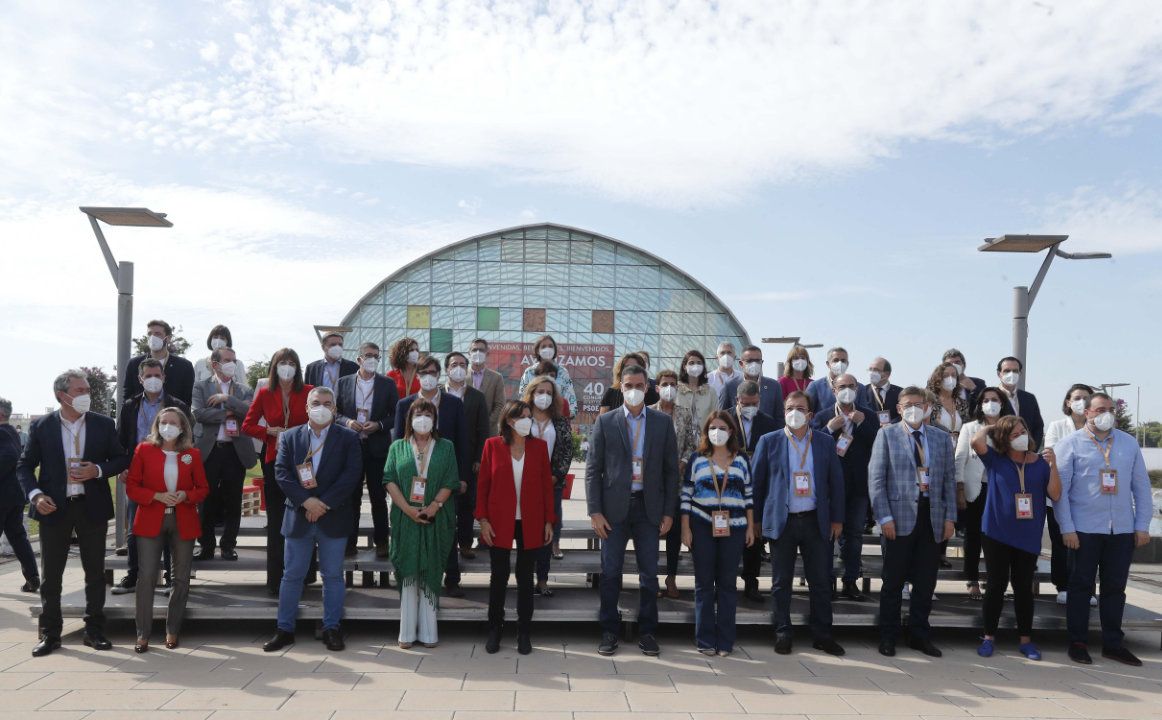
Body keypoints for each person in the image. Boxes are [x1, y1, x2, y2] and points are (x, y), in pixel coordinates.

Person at [18, 370, 130, 656]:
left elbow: (121, 458)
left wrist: (98, 470)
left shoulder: (103, 425)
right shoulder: (42, 426)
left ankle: (94, 630)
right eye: (80, 390)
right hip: (54, 508)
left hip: (91, 507)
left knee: (95, 573)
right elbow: (24, 466)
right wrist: (36, 495)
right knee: (51, 576)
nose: (86, 395)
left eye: (87, 390)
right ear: (62, 395)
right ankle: (51, 633)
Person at [1054, 392, 1152, 666]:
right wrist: (1067, 528)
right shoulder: (1070, 444)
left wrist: (1141, 525)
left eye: (1110, 409)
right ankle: (1078, 642)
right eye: (1099, 409)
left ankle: (1113, 643)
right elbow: (1060, 493)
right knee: (1080, 587)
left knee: (1115, 589)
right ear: (1087, 413)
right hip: (1084, 529)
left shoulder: (1128, 444)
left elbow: (1141, 487)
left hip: (1120, 529)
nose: (1106, 413)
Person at [587, 364, 678, 657]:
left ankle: (648, 631)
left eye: (639, 385)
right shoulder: (606, 422)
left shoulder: (662, 423)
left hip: (648, 510)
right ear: (621, 387)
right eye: (628, 385)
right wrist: (595, 511)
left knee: (649, 574)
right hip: (613, 511)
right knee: (610, 572)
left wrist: (668, 512)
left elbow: (670, 473)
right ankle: (609, 630)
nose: (634, 390)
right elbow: (593, 470)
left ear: (648, 387)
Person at [263, 387, 362, 653]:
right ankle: (284, 629)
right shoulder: (291, 437)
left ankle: (331, 628)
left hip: (333, 516)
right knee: (292, 575)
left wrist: (323, 504)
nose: (321, 407)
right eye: (316, 403)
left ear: (335, 409)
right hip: (299, 515)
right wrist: (306, 501)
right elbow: (281, 473)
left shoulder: (349, 438)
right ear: (306, 408)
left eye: (327, 403)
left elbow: (351, 476)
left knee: (332, 576)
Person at [753, 391, 845, 656]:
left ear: (810, 414)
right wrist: (757, 519)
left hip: (816, 521)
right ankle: (783, 631)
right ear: (784, 412)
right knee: (781, 582)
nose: (795, 412)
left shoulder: (825, 442)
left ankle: (822, 634)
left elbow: (836, 483)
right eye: (790, 408)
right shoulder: (769, 441)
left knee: (820, 581)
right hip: (783, 522)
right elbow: (758, 484)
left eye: (800, 408)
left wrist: (837, 518)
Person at [869, 386, 956, 658]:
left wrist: (951, 516)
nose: (914, 409)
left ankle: (919, 635)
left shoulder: (941, 439)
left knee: (925, 582)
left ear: (928, 407)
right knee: (892, 582)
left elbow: (949, 482)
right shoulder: (886, 435)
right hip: (898, 517)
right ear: (899, 408)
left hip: (932, 516)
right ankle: (888, 636)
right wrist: (884, 517)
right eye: (908, 404)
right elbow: (876, 480)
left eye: (919, 404)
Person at [970, 416, 1061, 661]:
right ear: (1004, 439)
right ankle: (988, 637)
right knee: (996, 585)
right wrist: (995, 427)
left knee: (1023, 587)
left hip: (1028, 535)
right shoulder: (995, 460)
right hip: (996, 532)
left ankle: (1026, 640)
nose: (1021, 436)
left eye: (1022, 431)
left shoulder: (1042, 463)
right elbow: (975, 440)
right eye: (1014, 434)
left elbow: (1055, 493)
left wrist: (1054, 467)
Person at [125, 407, 209, 652]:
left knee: (181, 578)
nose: (168, 426)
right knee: (147, 576)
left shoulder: (191, 454)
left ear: (182, 427)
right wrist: (156, 496)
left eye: (173, 422)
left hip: (182, 519)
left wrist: (186, 495)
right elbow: (132, 487)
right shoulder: (144, 450)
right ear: (157, 425)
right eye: (163, 422)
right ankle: (142, 634)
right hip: (151, 518)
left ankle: (172, 630)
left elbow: (202, 488)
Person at [478, 401, 555, 655]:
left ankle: (524, 632)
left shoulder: (539, 447)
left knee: (525, 578)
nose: (527, 421)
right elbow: (483, 485)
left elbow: (546, 487)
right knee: (498, 577)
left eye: (529, 417)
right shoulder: (492, 445)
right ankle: (495, 629)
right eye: (522, 417)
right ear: (509, 421)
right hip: (500, 520)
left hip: (530, 521)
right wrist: (484, 520)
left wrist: (548, 521)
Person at [384, 398, 460, 649]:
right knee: (409, 573)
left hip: (436, 518)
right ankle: (406, 632)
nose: (423, 417)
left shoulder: (446, 446)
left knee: (430, 572)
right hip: (406, 520)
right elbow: (389, 479)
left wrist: (433, 507)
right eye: (419, 413)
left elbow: (451, 480)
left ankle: (429, 632)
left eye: (428, 413)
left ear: (435, 419)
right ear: (410, 418)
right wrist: (408, 510)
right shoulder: (397, 446)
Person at [394, 355, 472, 596]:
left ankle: (451, 578)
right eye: (423, 372)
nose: (428, 376)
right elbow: (398, 443)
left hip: (444, 479)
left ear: (439, 375)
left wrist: (462, 477)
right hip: (413, 479)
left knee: (446, 525)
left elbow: (463, 442)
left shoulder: (453, 403)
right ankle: (416, 576)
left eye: (432, 372)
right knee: (416, 525)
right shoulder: (404, 404)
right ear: (417, 376)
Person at [113, 359, 193, 593]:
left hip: (170, 472)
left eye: (157, 375)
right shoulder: (129, 406)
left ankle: (170, 576)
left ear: (164, 377)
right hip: (138, 475)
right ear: (140, 379)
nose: (153, 379)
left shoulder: (176, 405)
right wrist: (122, 468)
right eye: (148, 376)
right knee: (135, 527)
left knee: (170, 525)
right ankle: (133, 575)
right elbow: (120, 442)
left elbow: (187, 440)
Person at [681, 411, 754, 656]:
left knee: (727, 585)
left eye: (723, 427)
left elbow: (749, 496)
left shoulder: (741, 459)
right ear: (706, 431)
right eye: (713, 427)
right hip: (702, 525)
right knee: (703, 585)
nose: (717, 432)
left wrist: (751, 526)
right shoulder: (697, 459)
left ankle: (725, 641)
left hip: (734, 527)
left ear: (731, 431)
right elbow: (686, 496)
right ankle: (704, 639)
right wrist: (685, 528)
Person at [242, 349, 314, 594]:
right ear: (274, 366)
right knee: (276, 521)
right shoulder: (265, 393)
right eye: (282, 362)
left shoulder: (307, 391)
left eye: (291, 362)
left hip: (304, 462)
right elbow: (248, 425)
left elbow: (319, 422)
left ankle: (304, 577)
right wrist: (269, 432)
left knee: (304, 516)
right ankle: (275, 581)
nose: (287, 366)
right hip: (274, 460)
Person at [811, 374, 879, 601]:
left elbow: (878, 444)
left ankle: (850, 581)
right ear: (833, 389)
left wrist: (862, 424)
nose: (847, 390)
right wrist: (829, 429)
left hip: (858, 485)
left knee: (854, 535)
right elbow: (811, 446)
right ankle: (827, 581)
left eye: (851, 386)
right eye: (842, 386)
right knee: (827, 535)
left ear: (858, 389)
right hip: (830, 487)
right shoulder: (822, 416)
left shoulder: (868, 415)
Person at [191, 347, 256, 562]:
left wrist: (225, 398)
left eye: (234, 360)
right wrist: (229, 411)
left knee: (233, 500)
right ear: (215, 364)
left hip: (234, 451)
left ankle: (228, 545)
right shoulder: (201, 386)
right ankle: (206, 546)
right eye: (227, 360)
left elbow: (249, 412)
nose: (232, 364)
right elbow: (199, 414)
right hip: (209, 451)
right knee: (206, 501)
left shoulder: (244, 389)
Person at [335, 342, 397, 559]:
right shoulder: (343, 383)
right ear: (359, 359)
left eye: (376, 356)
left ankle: (382, 542)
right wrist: (348, 422)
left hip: (377, 447)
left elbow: (395, 415)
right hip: (351, 447)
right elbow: (335, 413)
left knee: (378, 497)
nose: (372, 359)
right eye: (368, 355)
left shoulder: (387, 384)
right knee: (351, 498)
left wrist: (379, 425)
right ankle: (350, 543)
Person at [953, 387, 1013, 600]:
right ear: (979, 404)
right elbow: (960, 458)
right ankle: (972, 579)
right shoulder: (970, 427)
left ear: (1002, 403)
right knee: (974, 536)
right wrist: (959, 488)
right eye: (986, 400)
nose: (990, 403)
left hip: (1002, 490)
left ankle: (996, 581)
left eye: (995, 399)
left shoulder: (1011, 426)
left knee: (999, 538)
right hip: (975, 489)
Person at [522, 376, 573, 595]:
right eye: (540, 391)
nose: (544, 396)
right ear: (531, 393)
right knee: (523, 533)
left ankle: (542, 580)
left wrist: (554, 476)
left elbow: (566, 451)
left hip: (551, 486)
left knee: (546, 534)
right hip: (522, 485)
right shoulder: (522, 417)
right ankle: (523, 578)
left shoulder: (560, 421)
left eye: (549, 392)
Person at [1044, 383, 1095, 605]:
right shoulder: (1056, 426)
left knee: (1089, 546)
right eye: (1077, 397)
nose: (1081, 401)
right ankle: (1063, 585)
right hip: (1059, 493)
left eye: (1086, 398)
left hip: (1088, 498)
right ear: (1068, 401)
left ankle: (1087, 589)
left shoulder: (1097, 428)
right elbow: (1053, 455)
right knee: (1060, 543)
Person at [734, 381, 780, 603]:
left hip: (758, 487)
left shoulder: (768, 422)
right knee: (729, 538)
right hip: (730, 486)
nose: (750, 407)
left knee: (755, 537)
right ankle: (723, 583)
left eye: (754, 403)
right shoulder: (725, 420)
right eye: (746, 404)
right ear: (737, 401)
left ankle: (751, 583)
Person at [654, 368, 698, 600]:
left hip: (678, 481)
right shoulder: (649, 412)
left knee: (674, 532)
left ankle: (671, 577)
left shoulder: (684, 413)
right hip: (653, 482)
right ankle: (650, 579)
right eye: (665, 384)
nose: (669, 388)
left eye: (673, 384)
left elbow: (693, 442)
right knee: (651, 530)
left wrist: (682, 462)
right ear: (657, 387)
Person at [444, 351, 491, 560]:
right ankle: (445, 544)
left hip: (469, 458)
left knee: (466, 504)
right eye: (455, 364)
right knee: (444, 504)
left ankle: (465, 543)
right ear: (447, 369)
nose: (459, 368)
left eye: (463, 364)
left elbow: (483, 430)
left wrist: (479, 458)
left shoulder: (476, 396)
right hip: (442, 457)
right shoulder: (437, 394)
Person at [0, 397, 38, 593]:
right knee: (17, 536)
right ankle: (32, 576)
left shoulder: (2, 433)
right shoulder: (12, 433)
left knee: (17, 536)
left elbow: (8, 457)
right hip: (14, 495)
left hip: (3, 496)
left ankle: (32, 576)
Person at [123, 319, 196, 406]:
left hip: (172, 417)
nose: (153, 337)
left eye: (157, 334)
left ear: (168, 338)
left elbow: (187, 400)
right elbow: (127, 397)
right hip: (141, 416)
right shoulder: (134, 364)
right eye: (150, 334)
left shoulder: (184, 366)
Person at [718, 345, 785, 420]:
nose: (754, 364)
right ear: (741, 363)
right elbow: (722, 416)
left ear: (762, 362)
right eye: (749, 361)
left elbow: (780, 418)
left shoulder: (774, 386)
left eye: (757, 361)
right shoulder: (729, 386)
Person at [518, 335, 579, 416]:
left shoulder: (562, 372)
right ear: (538, 350)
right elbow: (523, 397)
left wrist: (569, 415)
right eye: (543, 346)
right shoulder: (529, 372)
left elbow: (570, 396)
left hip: (558, 418)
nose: (547, 349)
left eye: (550, 346)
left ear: (554, 350)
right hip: (534, 418)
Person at [996, 356, 1044, 450]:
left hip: (1026, 454)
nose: (1011, 374)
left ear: (1020, 373)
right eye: (1007, 371)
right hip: (1001, 454)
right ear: (999, 374)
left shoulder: (1029, 398)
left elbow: (1038, 427)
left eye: (1015, 371)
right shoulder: (992, 397)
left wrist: (1032, 450)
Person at [469, 338, 507, 434]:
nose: (477, 352)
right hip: (465, 430)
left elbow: (500, 404)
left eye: (481, 350)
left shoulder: (496, 377)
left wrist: (485, 423)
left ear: (487, 354)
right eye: (474, 350)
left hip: (488, 431)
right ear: (469, 353)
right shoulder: (461, 377)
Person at [806, 347, 858, 413]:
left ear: (847, 364)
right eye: (836, 360)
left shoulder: (859, 387)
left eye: (843, 361)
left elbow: (866, 414)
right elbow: (807, 412)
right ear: (828, 364)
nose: (840, 363)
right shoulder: (815, 386)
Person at [927, 362, 969, 441]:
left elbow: (966, 428)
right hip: (937, 445)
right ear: (938, 379)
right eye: (946, 375)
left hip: (958, 448)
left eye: (953, 375)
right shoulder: (930, 403)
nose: (950, 378)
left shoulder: (962, 403)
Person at [677, 349, 717, 432]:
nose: (695, 366)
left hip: (704, 438)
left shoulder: (710, 391)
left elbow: (716, 416)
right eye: (691, 363)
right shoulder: (676, 389)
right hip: (679, 439)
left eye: (699, 363)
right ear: (684, 366)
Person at [858, 357, 901, 425]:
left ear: (887, 374)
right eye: (870, 370)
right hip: (870, 433)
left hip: (894, 432)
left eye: (875, 370)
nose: (871, 373)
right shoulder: (862, 391)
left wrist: (891, 424)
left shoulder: (900, 392)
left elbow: (903, 413)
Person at [387, 337, 422, 401]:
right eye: (411, 350)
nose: (415, 353)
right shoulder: (391, 375)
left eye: (417, 350)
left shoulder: (422, 373)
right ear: (402, 353)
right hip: (397, 410)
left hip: (417, 410)